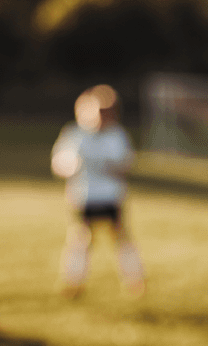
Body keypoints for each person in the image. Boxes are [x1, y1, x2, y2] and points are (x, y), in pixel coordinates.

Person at [51, 84, 145, 297]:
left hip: (111, 197)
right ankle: (74, 282)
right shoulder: (75, 135)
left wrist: (106, 164)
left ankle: (135, 280)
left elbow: (126, 164)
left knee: (121, 239)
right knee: (81, 239)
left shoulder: (117, 136)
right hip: (84, 197)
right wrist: (71, 165)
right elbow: (60, 163)